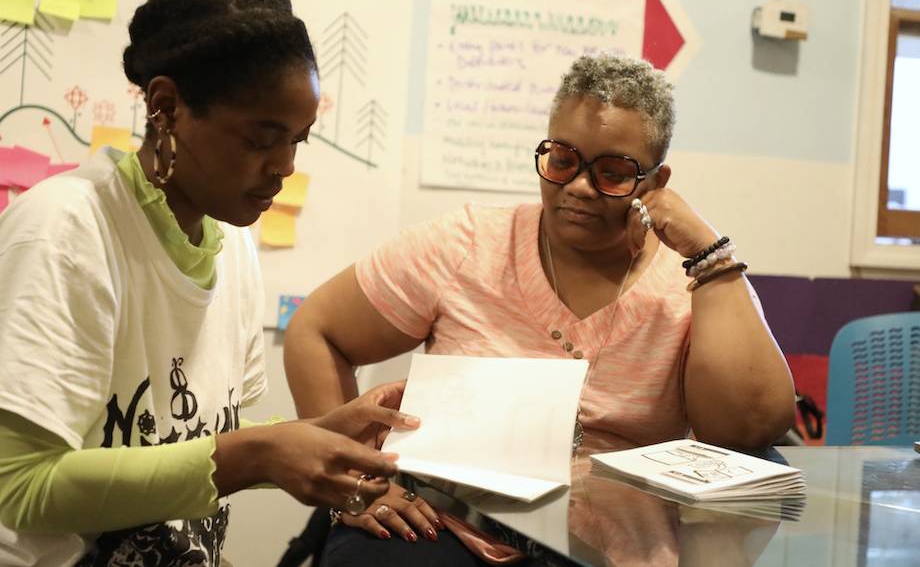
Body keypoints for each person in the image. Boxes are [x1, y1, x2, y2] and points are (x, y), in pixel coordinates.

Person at [284, 54, 796, 565]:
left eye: (613, 173)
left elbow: (752, 429)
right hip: (445, 525)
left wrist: (708, 253)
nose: (577, 186)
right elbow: (318, 329)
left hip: (609, 546)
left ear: (656, 183)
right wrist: (349, 483)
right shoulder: (469, 244)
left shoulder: (694, 282)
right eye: (562, 161)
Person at [0, 0, 418, 566]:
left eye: (299, 139)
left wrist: (320, 440)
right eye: (260, 138)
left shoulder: (229, 238)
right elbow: (19, 488)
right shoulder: (65, 232)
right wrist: (257, 455)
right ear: (166, 105)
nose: (285, 166)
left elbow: (188, 446)